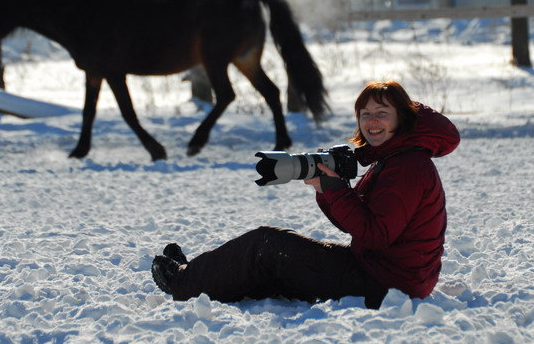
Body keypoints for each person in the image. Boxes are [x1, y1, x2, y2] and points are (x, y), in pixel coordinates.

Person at [151, 80, 460, 309]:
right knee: (277, 261)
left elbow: (375, 234)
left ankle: (182, 282)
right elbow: (362, 226)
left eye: (382, 113)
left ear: (402, 119)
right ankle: (198, 277)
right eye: (365, 114)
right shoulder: (399, 159)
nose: (372, 122)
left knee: (267, 243)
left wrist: (337, 190)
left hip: (387, 283)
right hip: (385, 272)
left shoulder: (408, 167)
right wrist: (326, 191)